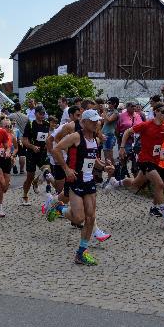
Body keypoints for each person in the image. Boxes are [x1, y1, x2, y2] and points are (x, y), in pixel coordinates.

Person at [51, 109, 114, 266]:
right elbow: (56, 149)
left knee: (91, 217)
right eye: (92, 121)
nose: (96, 123)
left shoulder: (95, 139)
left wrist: (104, 167)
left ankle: (81, 253)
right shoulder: (76, 136)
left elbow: (94, 159)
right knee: (79, 218)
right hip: (76, 181)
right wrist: (66, 168)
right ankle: (60, 209)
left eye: (97, 120)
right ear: (84, 122)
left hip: (89, 181)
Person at [114, 103, 164, 225]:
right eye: (163, 112)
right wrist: (122, 147)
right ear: (156, 112)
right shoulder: (146, 125)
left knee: (135, 184)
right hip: (145, 160)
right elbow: (128, 132)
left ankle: (117, 182)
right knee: (159, 184)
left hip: (157, 160)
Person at [21, 105, 50, 206]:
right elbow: (24, 140)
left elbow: (48, 137)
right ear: (35, 114)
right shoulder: (31, 124)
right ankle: (25, 195)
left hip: (43, 153)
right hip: (32, 153)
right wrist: (32, 146)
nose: (42, 116)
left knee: (48, 171)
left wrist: (48, 144)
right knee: (30, 176)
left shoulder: (47, 124)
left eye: (43, 114)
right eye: (40, 114)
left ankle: (36, 182)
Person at [8, 103, 28, 175]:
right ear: (21, 108)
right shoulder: (26, 117)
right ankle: (22, 170)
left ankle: (13, 166)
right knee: (22, 155)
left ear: (14, 108)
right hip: (22, 138)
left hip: (13, 136)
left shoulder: (10, 116)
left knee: (12, 154)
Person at [101, 97, 120, 163]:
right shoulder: (109, 112)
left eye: (109, 103)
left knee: (109, 156)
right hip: (105, 134)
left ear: (114, 104)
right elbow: (103, 121)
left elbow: (109, 120)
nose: (108, 104)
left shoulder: (116, 112)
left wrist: (104, 111)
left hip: (109, 135)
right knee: (106, 155)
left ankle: (112, 171)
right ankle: (110, 170)